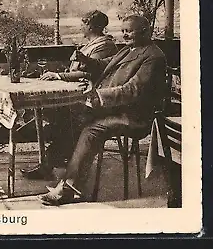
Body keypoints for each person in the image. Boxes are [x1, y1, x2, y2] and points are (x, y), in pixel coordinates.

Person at [40, 15, 167, 205]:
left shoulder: (153, 56)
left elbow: (132, 90)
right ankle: (66, 175)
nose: (125, 35)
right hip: (116, 109)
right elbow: (103, 65)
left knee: (91, 130)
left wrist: (99, 95)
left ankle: (67, 189)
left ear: (145, 31)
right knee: (71, 116)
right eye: (123, 31)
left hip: (133, 115)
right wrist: (85, 59)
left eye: (129, 31)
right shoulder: (128, 50)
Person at [23, 10, 119, 177]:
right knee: (56, 115)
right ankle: (57, 159)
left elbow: (89, 72)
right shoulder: (91, 44)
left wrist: (59, 76)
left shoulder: (105, 45)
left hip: (92, 97)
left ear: (91, 26)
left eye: (83, 24)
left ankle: (51, 164)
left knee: (66, 118)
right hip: (80, 94)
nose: (81, 27)